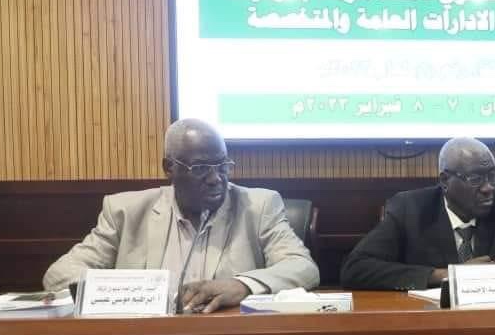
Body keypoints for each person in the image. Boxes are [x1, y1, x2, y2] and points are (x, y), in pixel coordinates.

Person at [43, 119, 319, 312]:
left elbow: (302, 267)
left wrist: (241, 285)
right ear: (169, 168)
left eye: (223, 165)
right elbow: (59, 275)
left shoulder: (259, 206)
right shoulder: (125, 211)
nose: (216, 178)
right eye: (201, 168)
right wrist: (133, 294)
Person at [340, 137, 495, 290]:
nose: (488, 188)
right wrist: (448, 275)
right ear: (445, 181)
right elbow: (356, 269)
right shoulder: (410, 208)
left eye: (493, 176)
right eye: (475, 179)